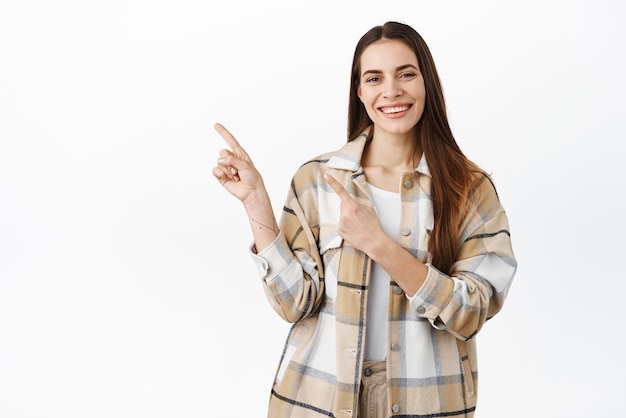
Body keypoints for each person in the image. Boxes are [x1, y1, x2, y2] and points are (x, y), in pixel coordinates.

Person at [212, 21, 516, 418]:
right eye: (374, 78)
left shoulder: (468, 189)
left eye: (406, 74)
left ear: (428, 83)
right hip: (320, 397)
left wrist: (381, 246)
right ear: (359, 91)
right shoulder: (317, 180)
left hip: (427, 401)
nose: (391, 91)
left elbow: (473, 310)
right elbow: (294, 305)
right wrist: (255, 201)